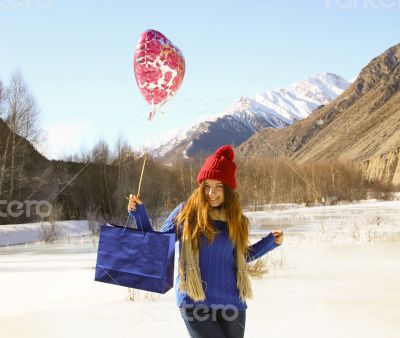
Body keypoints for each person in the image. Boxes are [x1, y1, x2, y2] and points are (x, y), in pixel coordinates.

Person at [128, 145, 283, 338]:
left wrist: (270, 242)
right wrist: (139, 214)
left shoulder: (236, 219)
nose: (212, 193)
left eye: (218, 186)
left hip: (231, 301)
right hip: (194, 299)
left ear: (228, 189)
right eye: (207, 186)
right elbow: (157, 244)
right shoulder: (186, 212)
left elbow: (240, 257)